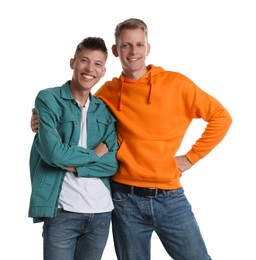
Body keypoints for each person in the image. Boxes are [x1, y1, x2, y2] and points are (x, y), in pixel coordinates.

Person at [31, 18, 232, 260]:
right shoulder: (107, 93)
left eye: (139, 44)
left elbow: (221, 117)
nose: (133, 51)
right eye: (126, 45)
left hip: (170, 196)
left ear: (148, 48)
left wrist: (191, 158)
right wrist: (39, 120)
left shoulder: (177, 84)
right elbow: (76, 109)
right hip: (124, 199)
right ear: (116, 51)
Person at [28, 37, 119, 260]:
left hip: (100, 214)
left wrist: (73, 165)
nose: (90, 69)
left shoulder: (105, 110)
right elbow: (52, 153)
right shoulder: (48, 99)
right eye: (84, 61)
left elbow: (113, 163)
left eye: (97, 64)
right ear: (72, 63)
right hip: (62, 212)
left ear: (103, 71)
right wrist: (95, 153)